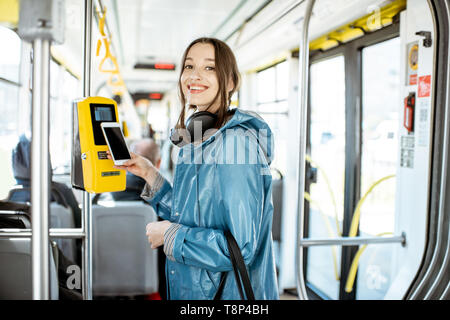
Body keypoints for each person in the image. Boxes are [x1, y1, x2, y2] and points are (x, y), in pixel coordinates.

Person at [109, 37, 279, 300]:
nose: (195, 76)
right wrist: (148, 174)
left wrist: (170, 235)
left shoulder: (236, 145)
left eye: (209, 68)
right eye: (189, 66)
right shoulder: (198, 141)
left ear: (231, 82)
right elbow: (188, 215)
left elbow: (241, 247)